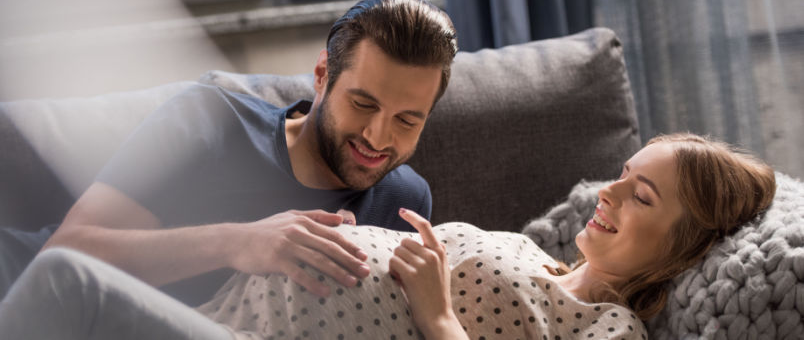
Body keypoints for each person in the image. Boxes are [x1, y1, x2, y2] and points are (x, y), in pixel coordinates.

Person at [0, 133, 776, 339]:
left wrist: (438, 314)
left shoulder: (607, 328)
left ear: (685, 246)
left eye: (639, 195)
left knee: (69, 284)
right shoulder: (536, 254)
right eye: (621, 172)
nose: (606, 192)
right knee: (68, 280)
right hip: (222, 318)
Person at [0, 0, 457, 305]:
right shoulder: (210, 122)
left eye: (406, 120)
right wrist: (238, 242)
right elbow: (62, 258)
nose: (378, 137)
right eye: (362, 104)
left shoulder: (405, 203)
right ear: (322, 76)